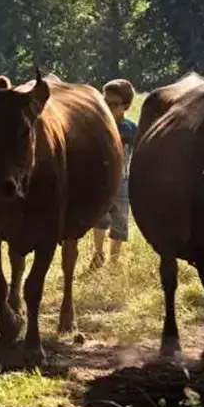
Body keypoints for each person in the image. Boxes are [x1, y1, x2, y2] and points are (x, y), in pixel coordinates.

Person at [90, 78, 138, 269]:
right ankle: (98, 253)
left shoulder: (131, 129)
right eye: (105, 102)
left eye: (114, 104)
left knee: (120, 223)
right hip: (100, 180)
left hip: (122, 181)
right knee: (99, 219)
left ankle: (114, 262)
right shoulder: (97, 125)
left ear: (125, 106)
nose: (108, 107)